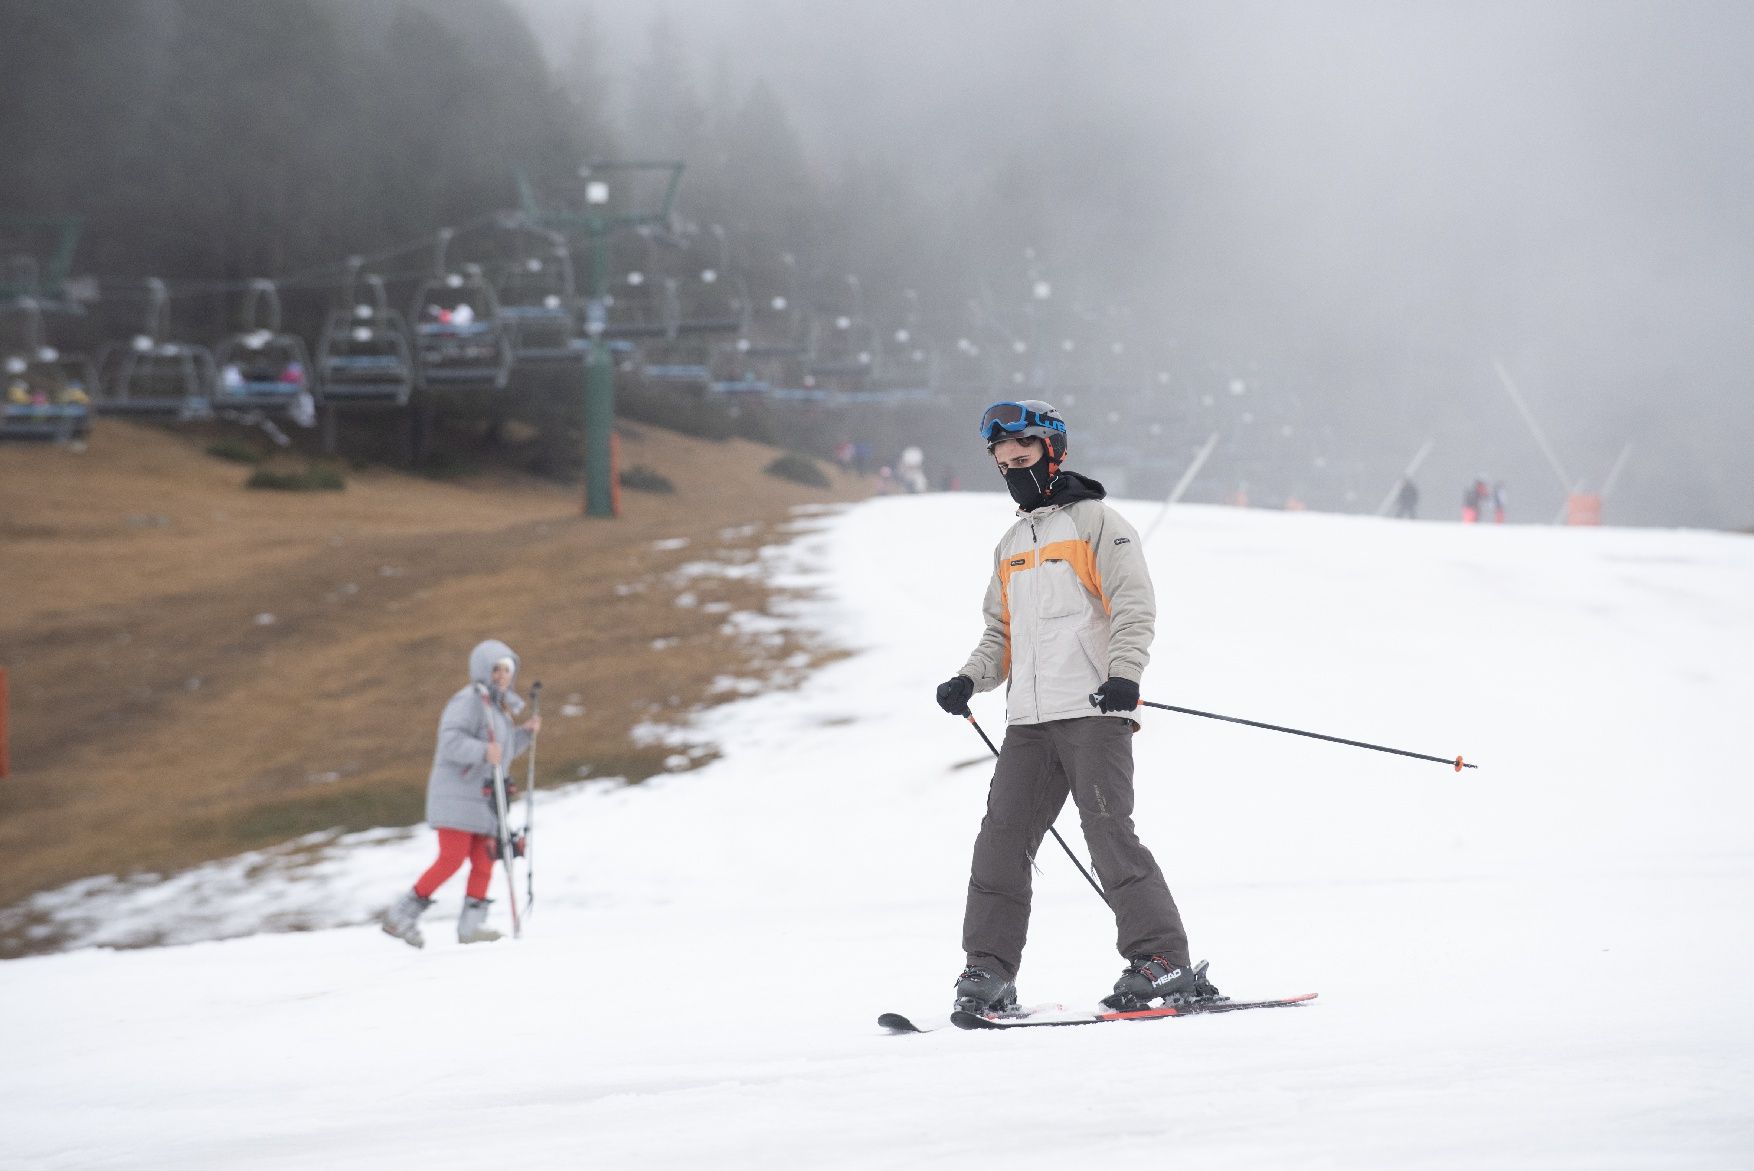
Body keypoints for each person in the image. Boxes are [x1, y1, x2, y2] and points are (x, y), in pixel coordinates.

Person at [933, 399, 1216, 1015]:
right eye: (1003, 463)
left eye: (1024, 457)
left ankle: (1162, 961)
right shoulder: (1011, 542)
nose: (1014, 470)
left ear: (1051, 452)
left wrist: (1124, 675)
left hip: (1093, 711)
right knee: (1000, 844)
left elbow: (1134, 605)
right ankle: (987, 972)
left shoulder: (1097, 524)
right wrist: (968, 679)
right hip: (1029, 724)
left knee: (1109, 835)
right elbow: (999, 637)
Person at [382, 639, 541, 948]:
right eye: (496, 669)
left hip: (483, 801)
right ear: (483, 669)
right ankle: (402, 914)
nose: (502, 676)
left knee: (485, 857)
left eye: (507, 670)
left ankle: (472, 926)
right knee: (452, 858)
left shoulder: (499, 708)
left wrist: (524, 735)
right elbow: (451, 742)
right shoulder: (468, 701)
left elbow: (501, 755)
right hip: (456, 797)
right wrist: (483, 750)